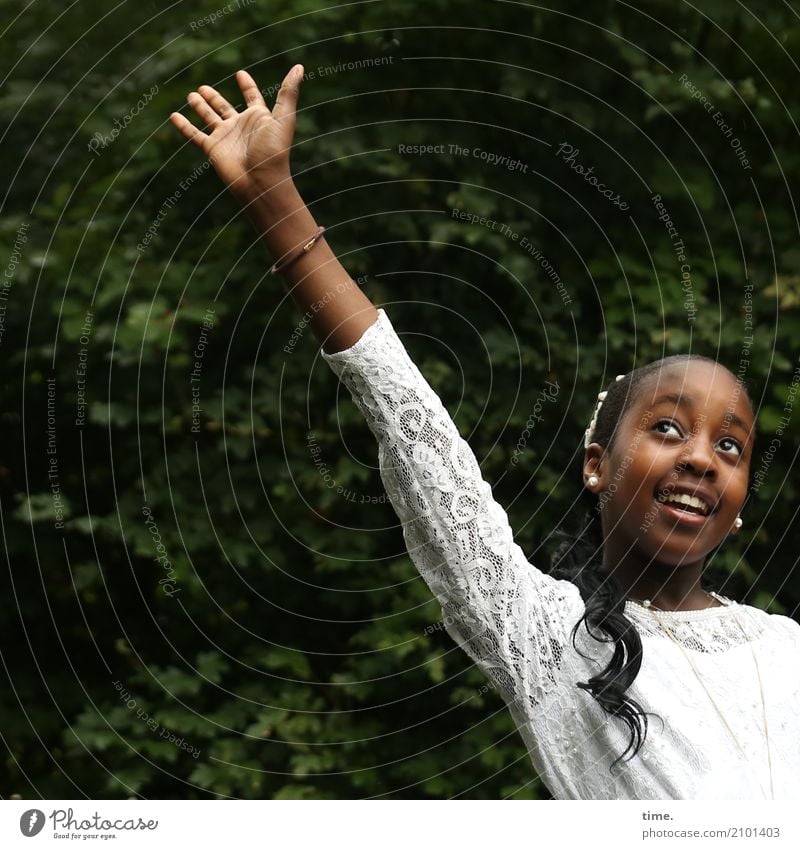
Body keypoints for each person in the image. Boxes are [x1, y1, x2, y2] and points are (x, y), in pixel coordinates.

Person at [169, 65, 800, 800]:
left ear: (744, 494)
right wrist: (274, 195)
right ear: (596, 465)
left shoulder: (785, 649)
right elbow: (413, 426)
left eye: (730, 446)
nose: (701, 457)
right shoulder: (544, 634)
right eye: (668, 427)